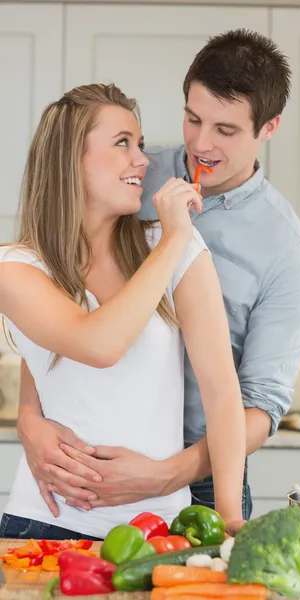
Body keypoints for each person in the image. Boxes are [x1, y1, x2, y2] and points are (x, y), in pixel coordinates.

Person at [16, 29, 300, 523]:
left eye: (226, 130)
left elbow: (257, 406)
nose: (201, 143)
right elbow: (56, 297)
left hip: (201, 476)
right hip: (84, 461)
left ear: (268, 127)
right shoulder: (129, 174)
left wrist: (170, 472)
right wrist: (31, 419)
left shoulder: (288, 250)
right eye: (193, 118)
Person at [0, 83, 246, 540]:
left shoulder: (174, 247)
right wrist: (173, 239)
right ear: (70, 158)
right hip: (45, 526)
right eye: (122, 143)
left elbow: (222, 393)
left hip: (159, 532)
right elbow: (99, 345)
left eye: (141, 144)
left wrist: (230, 519)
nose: (142, 160)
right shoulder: (16, 268)